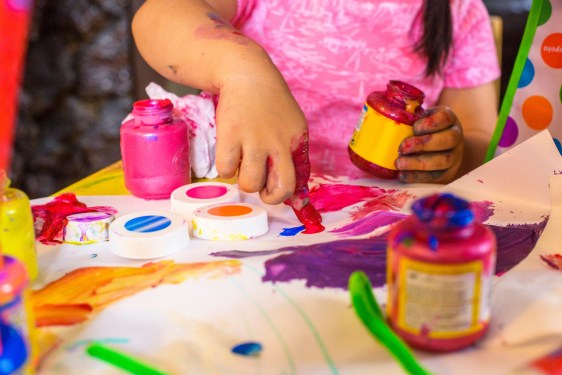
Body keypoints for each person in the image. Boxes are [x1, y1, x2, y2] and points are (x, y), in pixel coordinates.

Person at [132, 0, 500, 206]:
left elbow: (481, 137)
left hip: (386, 223)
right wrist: (243, 71)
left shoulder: (459, 11)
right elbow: (158, 15)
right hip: (248, 209)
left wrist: (451, 154)